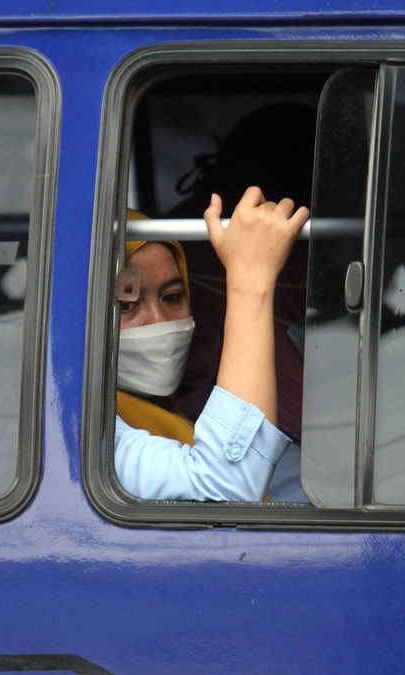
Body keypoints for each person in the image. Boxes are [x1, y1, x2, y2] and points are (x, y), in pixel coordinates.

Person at [114, 186, 309, 501]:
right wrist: (250, 278)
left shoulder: (186, 422)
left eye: (173, 297)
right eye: (126, 305)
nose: (161, 321)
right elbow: (228, 484)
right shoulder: (87, 440)